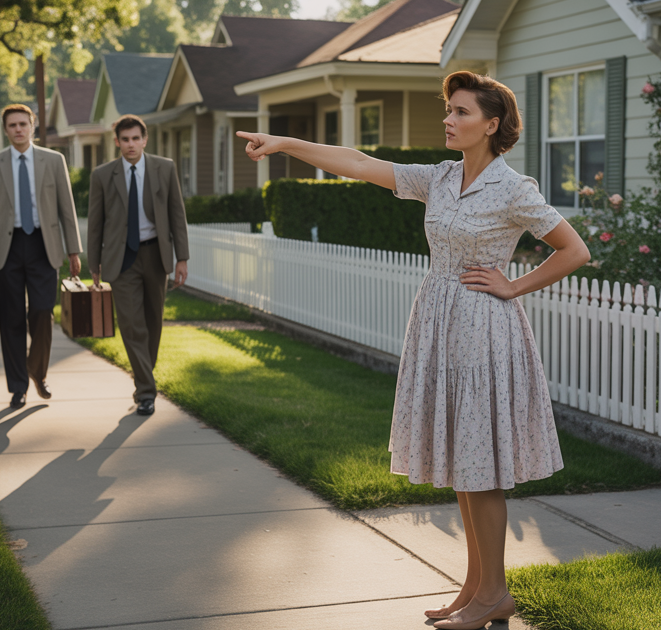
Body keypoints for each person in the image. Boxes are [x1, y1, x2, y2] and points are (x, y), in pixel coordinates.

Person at [237, 71, 590, 629]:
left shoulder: (514, 189)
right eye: (448, 110)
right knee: (462, 461)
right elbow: (356, 162)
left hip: (484, 328)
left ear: (491, 125)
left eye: (461, 112)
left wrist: (513, 284)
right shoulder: (441, 177)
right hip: (438, 321)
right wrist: (284, 144)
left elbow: (574, 250)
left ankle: (494, 593)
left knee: (482, 469)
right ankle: (475, 589)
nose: (448, 120)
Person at [0, 104, 82, 409]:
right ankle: (18, 386)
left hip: (43, 246)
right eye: (12, 125)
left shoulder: (53, 160)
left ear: (33, 126)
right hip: (8, 248)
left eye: (23, 123)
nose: (18, 129)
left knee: (42, 312)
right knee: (10, 318)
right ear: (6, 130)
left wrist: (74, 250)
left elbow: (67, 209)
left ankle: (37, 370)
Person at [87, 115, 189, 416]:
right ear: (116, 141)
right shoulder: (102, 175)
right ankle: (146, 392)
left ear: (145, 140)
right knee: (131, 325)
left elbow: (176, 215)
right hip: (121, 260)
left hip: (155, 255)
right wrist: (94, 262)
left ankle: (144, 378)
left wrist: (181, 257)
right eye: (125, 139)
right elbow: (96, 223)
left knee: (153, 323)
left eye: (136, 138)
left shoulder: (165, 168)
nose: (131, 144)